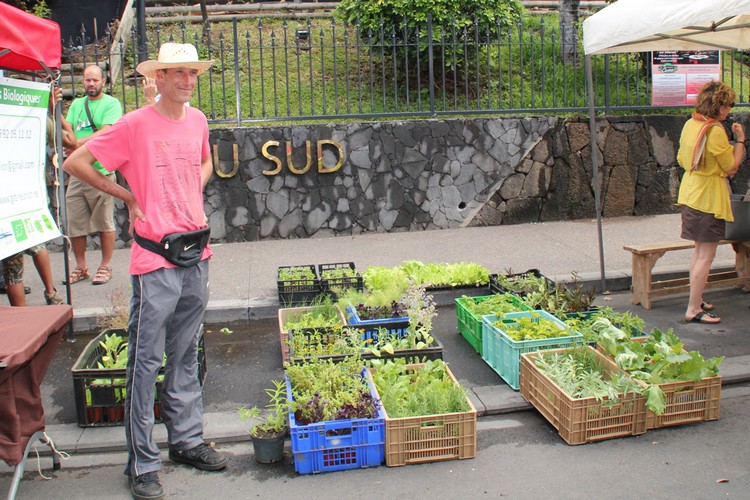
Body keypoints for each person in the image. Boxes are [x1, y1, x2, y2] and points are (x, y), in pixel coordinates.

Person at [63, 42, 225, 500]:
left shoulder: (197, 120)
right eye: (176, 72)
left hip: (196, 254)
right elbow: (77, 162)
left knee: (186, 353)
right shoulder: (134, 124)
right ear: (159, 76)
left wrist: (194, 183)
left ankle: (187, 441)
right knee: (145, 362)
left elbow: (205, 159)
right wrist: (129, 198)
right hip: (154, 259)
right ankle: (142, 463)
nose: (186, 81)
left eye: (192, 73)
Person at [676, 80, 746, 325]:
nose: (728, 110)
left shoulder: (690, 124)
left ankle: (697, 298)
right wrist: (740, 141)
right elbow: (731, 166)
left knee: (699, 251)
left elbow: (682, 158)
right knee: (706, 254)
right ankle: (694, 308)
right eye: (727, 105)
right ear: (719, 106)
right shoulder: (715, 130)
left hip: (690, 192)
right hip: (707, 197)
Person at [62, 64, 123, 286]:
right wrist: (54, 111)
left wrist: (77, 144)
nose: (91, 83)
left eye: (95, 80)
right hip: (78, 174)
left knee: (104, 221)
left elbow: (107, 131)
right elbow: (67, 128)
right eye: (88, 80)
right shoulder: (77, 105)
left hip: (101, 171)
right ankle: (81, 266)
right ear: (83, 82)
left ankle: (105, 266)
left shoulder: (111, 104)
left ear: (103, 82)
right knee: (75, 222)